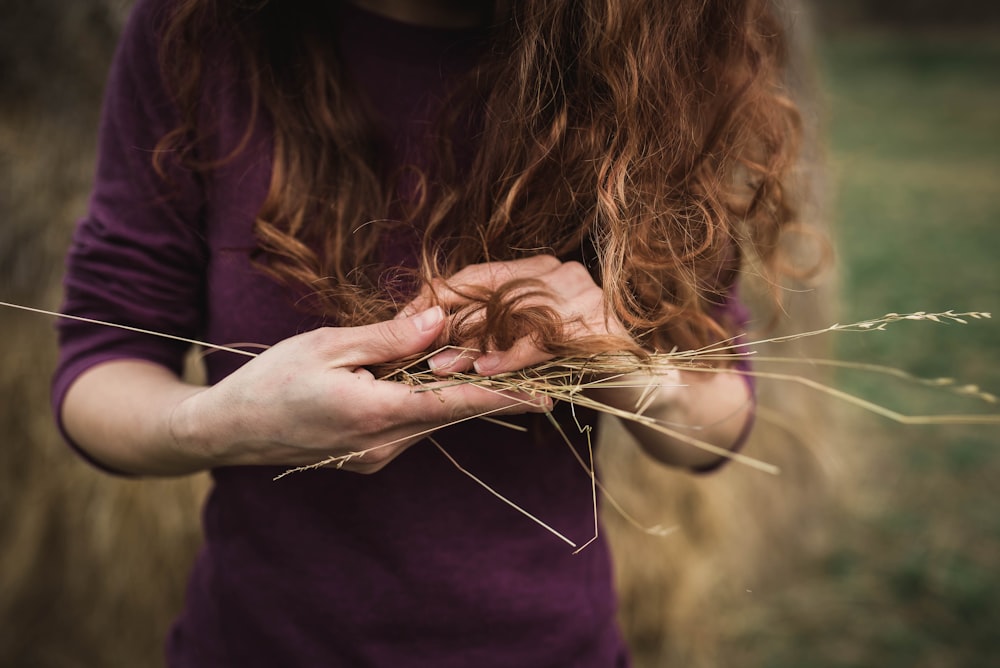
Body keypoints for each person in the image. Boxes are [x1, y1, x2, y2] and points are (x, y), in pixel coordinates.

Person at [54, 0, 802, 665]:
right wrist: (221, 423)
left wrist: (624, 358)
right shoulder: (199, 30)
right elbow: (99, 366)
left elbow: (716, 419)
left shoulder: (642, 53)